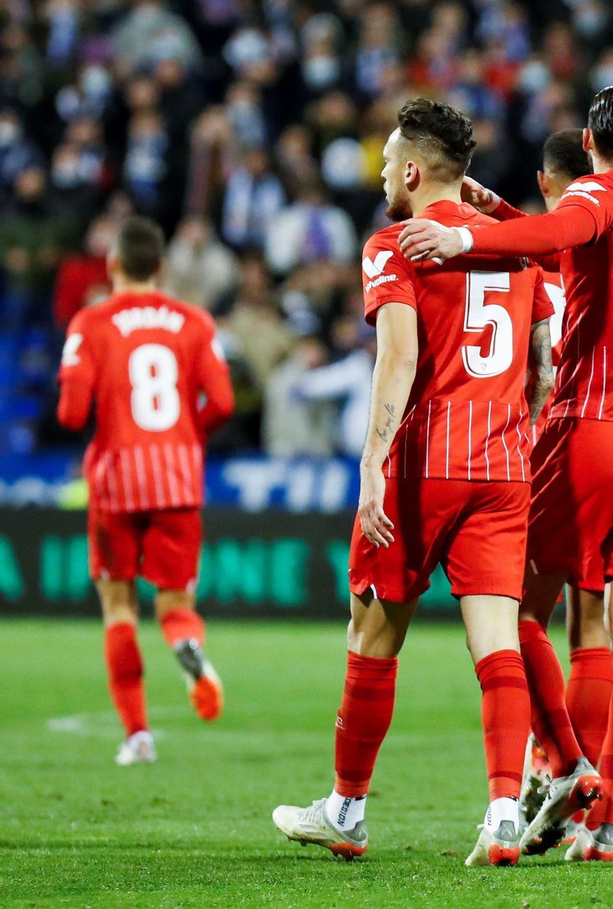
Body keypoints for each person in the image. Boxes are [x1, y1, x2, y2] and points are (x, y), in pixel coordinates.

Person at [398, 85, 613, 864]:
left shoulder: (596, 192)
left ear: (591, 140)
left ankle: (564, 763)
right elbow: (572, 243)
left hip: (596, 424)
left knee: (512, 606)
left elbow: (566, 225)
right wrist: (493, 205)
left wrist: (464, 241)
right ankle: (604, 822)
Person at [271, 99, 566, 867]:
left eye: (384, 163)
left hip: (422, 462)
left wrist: (372, 461)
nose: (379, 176)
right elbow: (542, 368)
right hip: (504, 466)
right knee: (496, 642)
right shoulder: (518, 248)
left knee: (373, 634)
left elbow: (397, 359)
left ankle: (346, 808)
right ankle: (504, 811)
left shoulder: (394, 244)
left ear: (411, 169)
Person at [460, 128, 606, 829]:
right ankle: (579, 798)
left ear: (549, 185)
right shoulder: (608, 255)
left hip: (543, 449)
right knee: (596, 626)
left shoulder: (525, 269)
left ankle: (554, 767)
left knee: (516, 619)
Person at [56, 217, 234, 766]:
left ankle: (137, 735)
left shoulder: (91, 321)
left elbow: (68, 415)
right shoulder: (195, 321)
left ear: (113, 265)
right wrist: (185, 438)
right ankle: (188, 645)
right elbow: (224, 402)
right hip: (178, 476)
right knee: (175, 602)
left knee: (119, 607)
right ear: (160, 267)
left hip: (115, 480)